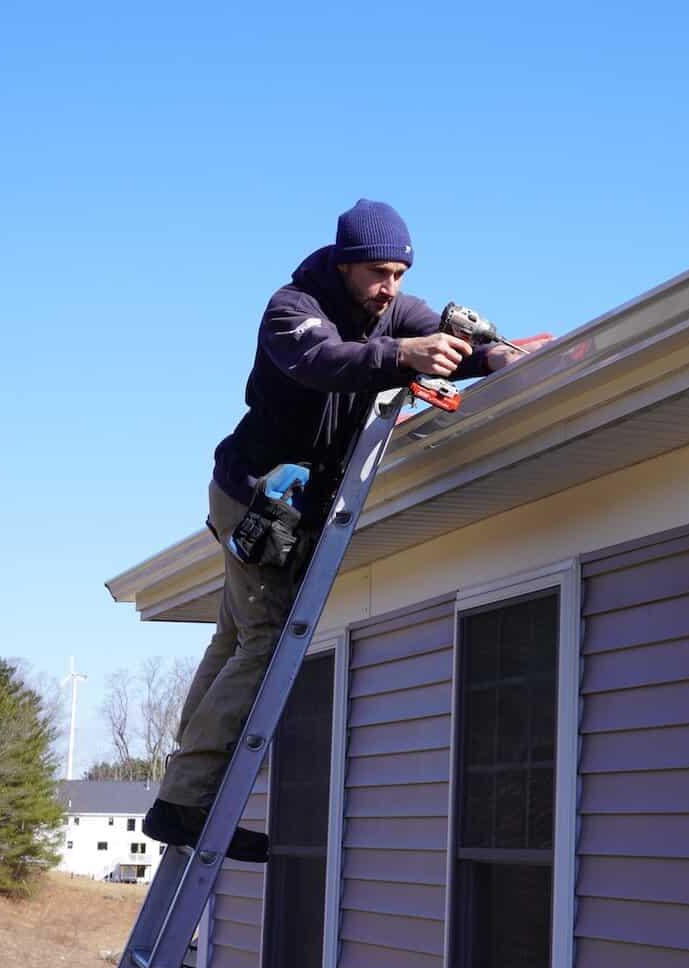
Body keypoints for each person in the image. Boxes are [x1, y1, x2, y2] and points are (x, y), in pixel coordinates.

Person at [143, 199, 530, 858]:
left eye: (401, 275)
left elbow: (437, 340)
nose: (392, 288)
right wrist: (407, 352)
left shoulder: (392, 309)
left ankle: (183, 792)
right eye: (380, 273)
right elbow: (326, 361)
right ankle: (185, 802)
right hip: (257, 496)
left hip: (286, 502)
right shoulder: (292, 309)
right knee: (263, 642)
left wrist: (490, 358)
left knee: (236, 634)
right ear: (347, 264)